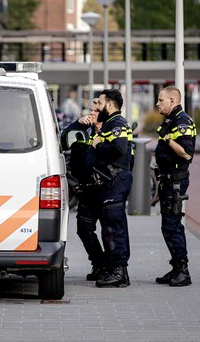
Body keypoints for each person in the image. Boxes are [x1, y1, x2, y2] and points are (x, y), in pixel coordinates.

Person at [88, 89, 133, 288]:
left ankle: (119, 271)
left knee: (114, 227)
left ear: (111, 104)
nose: (98, 106)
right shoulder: (109, 124)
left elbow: (119, 149)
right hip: (111, 181)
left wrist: (98, 145)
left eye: (101, 102)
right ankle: (115, 269)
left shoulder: (117, 123)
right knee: (110, 227)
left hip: (115, 180)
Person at [154, 86, 197, 287]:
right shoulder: (171, 119)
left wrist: (170, 139)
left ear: (173, 100)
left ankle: (183, 270)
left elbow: (187, 153)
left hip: (176, 181)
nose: (157, 103)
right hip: (168, 180)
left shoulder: (182, 121)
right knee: (168, 225)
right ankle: (176, 267)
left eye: (161, 100)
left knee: (172, 226)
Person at [64, 99, 108, 281]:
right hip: (87, 189)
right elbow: (63, 140)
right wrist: (77, 124)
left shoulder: (110, 132)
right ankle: (98, 263)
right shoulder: (84, 130)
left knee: (109, 231)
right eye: (90, 110)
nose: (91, 113)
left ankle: (112, 267)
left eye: (95, 111)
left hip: (105, 189)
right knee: (84, 228)